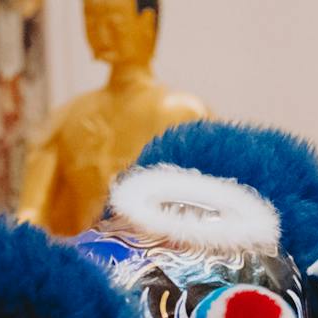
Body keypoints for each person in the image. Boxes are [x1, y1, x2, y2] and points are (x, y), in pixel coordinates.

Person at [17, 0, 208, 235]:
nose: (100, 29)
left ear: (145, 21)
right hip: (87, 260)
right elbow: (30, 213)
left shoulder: (182, 113)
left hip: (161, 262)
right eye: (91, 18)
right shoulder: (67, 118)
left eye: (112, 18)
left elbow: (204, 216)